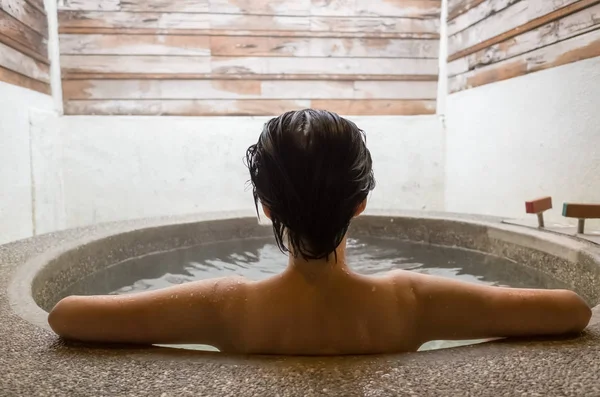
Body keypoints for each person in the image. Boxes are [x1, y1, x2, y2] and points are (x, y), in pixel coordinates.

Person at [48, 109, 592, 355]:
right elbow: (569, 309)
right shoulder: (412, 301)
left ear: (264, 205)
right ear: (361, 202)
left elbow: (68, 316)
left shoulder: (225, 306)